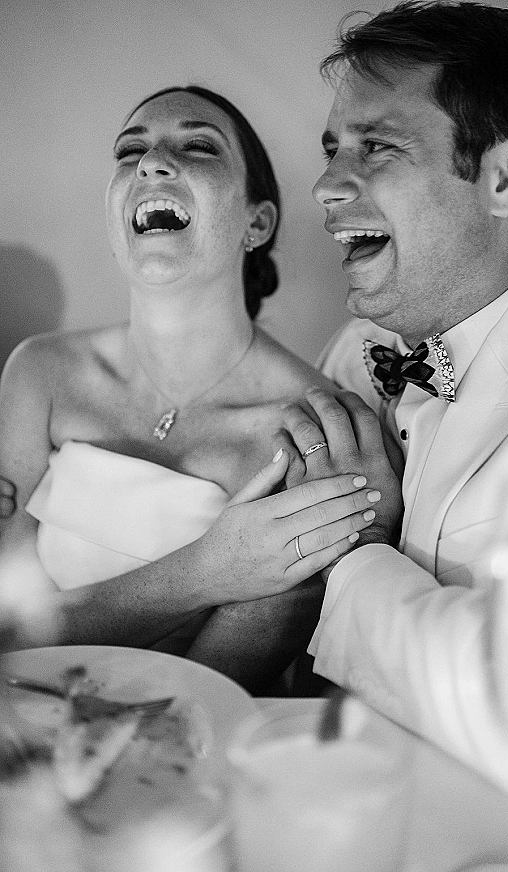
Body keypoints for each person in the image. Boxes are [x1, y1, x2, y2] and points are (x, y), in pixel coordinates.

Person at [277, 0, 508, 797]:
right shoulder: (355, 352)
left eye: (375, 146)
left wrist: (359, 549)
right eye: (333, 149)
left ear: (507, 174)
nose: (326, 185)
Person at [0, 85, 382, 694]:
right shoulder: (38, 373)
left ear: (257, 222)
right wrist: (205, 572)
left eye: (198, 147)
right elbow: (5, 632)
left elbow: (206, 693)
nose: (151, 163)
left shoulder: (316, 432)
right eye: (131, 152)